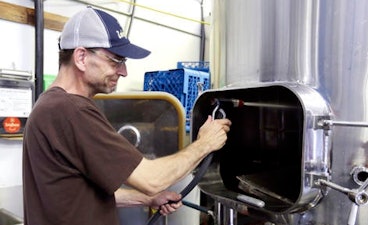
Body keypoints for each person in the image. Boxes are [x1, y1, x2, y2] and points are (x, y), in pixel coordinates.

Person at [22, 6, 232, 225]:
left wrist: (147, 198)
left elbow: (80, 193)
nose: (123, 72)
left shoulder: (50, 104)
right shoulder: (70, 111)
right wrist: (205, 143)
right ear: (81, 57)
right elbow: (152, 179)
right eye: (115, 61)